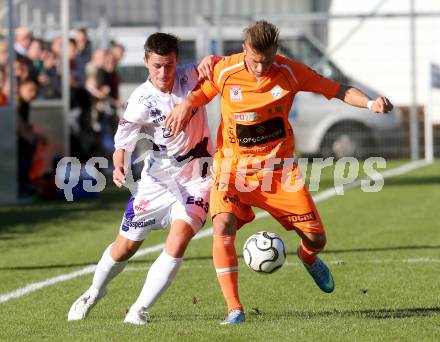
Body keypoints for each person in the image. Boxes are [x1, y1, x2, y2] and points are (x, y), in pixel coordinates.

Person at [165, 20, 393, 325]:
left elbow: (336, 89)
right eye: (256, 60)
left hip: (279, 173)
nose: (261, 67)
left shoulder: (290, 72)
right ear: (245, 49)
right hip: (233, 169)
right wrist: (185, 107)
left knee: (317, 239)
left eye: (268, 60)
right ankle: (235, 309)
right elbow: (199, 94)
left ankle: (308, 257)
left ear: (276, 52)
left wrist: (370, 102)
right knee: (222, 225)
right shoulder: (225, 70)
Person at [67, 32, 214, 325]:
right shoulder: (141, 100)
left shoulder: (193, 76)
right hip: (158, 179)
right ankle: (94, 291)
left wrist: (213, 59)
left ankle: (138, 310)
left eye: (169, 65)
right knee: (126, 246)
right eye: (157, 65)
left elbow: (228, 66)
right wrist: (120, 163)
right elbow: (123, 142)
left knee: (180, 239)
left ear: (177, 62)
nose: (163, 72)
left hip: (198, 176)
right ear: (146, 61)